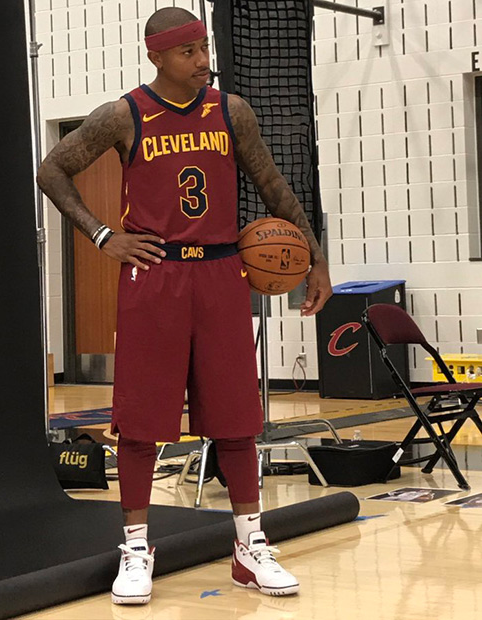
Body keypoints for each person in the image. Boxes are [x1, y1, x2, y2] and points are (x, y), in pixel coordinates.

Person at [37, 7, 332, 605]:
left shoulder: (231, 111)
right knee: (142, 419)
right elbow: (52, 168)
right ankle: (138, 547)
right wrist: (102, 236)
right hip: (155, 274)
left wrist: (315, 259)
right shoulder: (124, 115)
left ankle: (250, 547)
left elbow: (274, 185)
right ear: (157, 56)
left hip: (223, 271)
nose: (203, 61)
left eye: (204, 48)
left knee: (237, 417)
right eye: (189, 51)